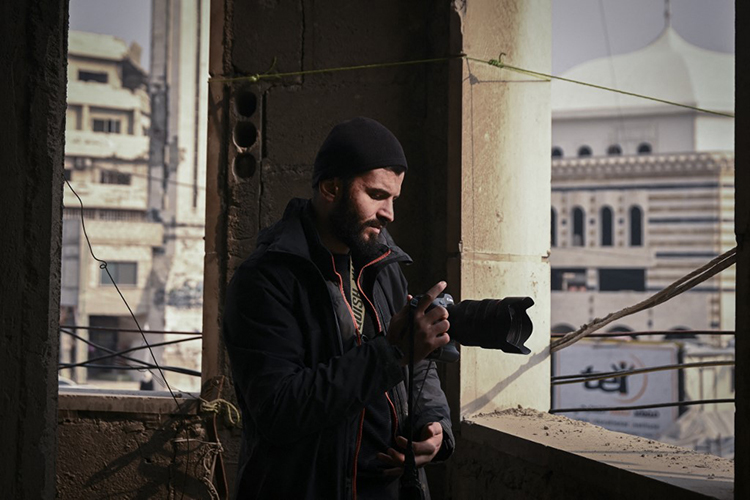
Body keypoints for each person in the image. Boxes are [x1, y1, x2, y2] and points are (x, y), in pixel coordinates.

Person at [223, 116, 454, 499]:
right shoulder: (265, 280)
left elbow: (418, 361)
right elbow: (279, 409)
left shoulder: (384, 268)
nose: (390, 213)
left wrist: (435, 424)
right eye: (377, 195)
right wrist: (392, 353)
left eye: (394, 198)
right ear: (331, 187)